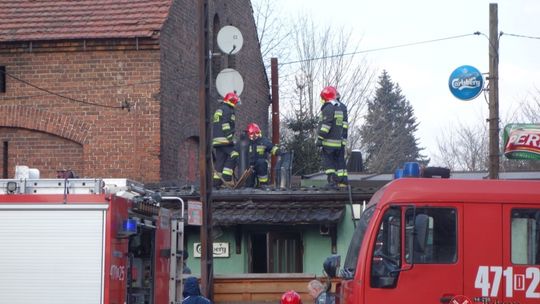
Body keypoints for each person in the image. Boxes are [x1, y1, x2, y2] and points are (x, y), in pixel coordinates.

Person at [317, 86, 346, 189]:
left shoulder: (328, 108)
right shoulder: (338, 108)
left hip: (328, 142)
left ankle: (332, 182)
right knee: (336, 163)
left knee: (329, 164)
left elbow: (326, 125)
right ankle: (337, 182)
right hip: (338, 142)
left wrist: (320, 138)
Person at [212, 92, 240, 189]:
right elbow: (225, 124)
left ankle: (216, 184)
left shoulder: (220, 109)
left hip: (217, 141)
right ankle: (226, 178)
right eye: (235, 102)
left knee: (220, 161)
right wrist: (230, 138)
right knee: (235, 154)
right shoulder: (228, 110)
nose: (236, 104)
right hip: (224, 140)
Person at [244, 122, 280, 188]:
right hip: (248, 168)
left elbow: (271, 148)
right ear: (248, 134)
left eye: (257, 133)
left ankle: (263, 184)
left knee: (261, 162)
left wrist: (278, 151)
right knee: (248, 186)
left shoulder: (263, 141)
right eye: (252, 134)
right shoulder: (244, 142)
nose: (255, 136)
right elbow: (237, 153)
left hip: (260, 165)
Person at [335, 91, 349, 187]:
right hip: (341, 138)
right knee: (341, 160)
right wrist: (344, 139)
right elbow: (345, 125)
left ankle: (338, 181)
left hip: (334, 139)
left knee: (334, 161)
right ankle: (343, 180)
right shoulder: (343, 107)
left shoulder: (333, 107)